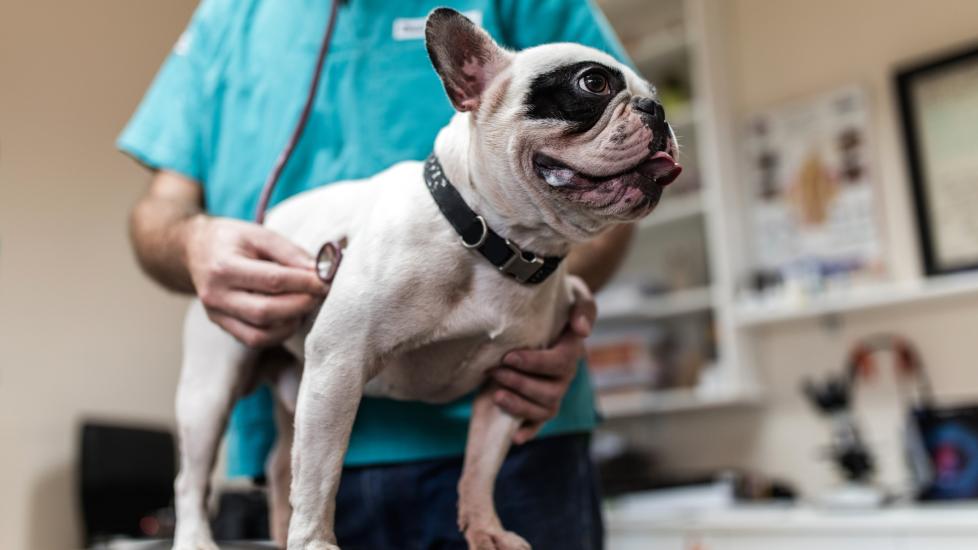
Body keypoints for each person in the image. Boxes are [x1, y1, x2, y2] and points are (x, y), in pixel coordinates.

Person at [120, 1, 635, 548]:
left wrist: (547, 300)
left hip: (518, 443)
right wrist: (194, 244)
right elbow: (160, 213)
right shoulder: (227, 18)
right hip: (304, 447)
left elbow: (613, 158)